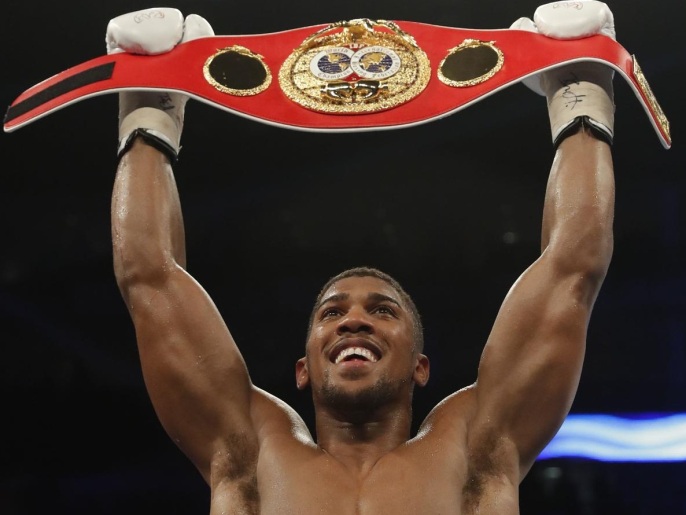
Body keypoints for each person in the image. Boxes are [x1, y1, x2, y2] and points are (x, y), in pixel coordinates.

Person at [109, 2, 617, 513]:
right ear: (302, 368)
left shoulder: (474, 450)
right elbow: (148, 278)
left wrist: (580, 95)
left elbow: (573, 266)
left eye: (382, 310)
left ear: (421, 368)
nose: (354, 321)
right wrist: (149, 109)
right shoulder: (251, 456)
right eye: (332, 312)